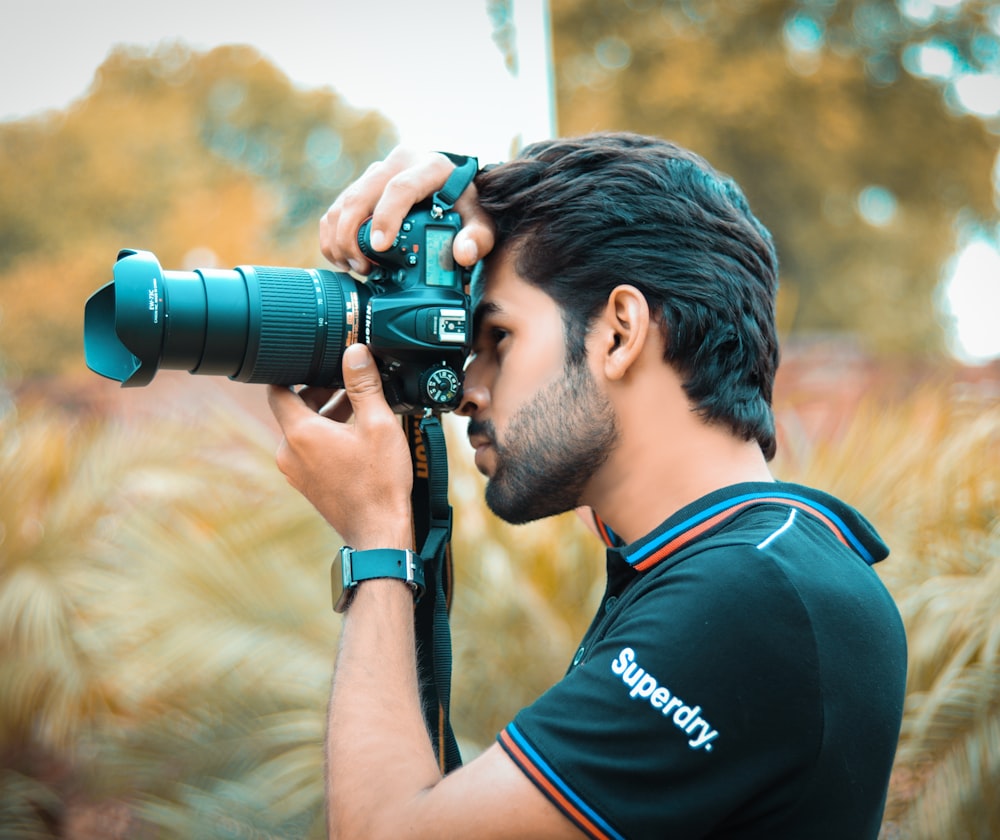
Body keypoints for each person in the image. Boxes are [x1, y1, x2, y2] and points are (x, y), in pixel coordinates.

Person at [266, 133, 907, 840]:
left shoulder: (754, 598)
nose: (465, 391)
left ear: (619, 332)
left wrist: (377, 538)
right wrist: (465, 204)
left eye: (498, 339)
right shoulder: (746, 565)